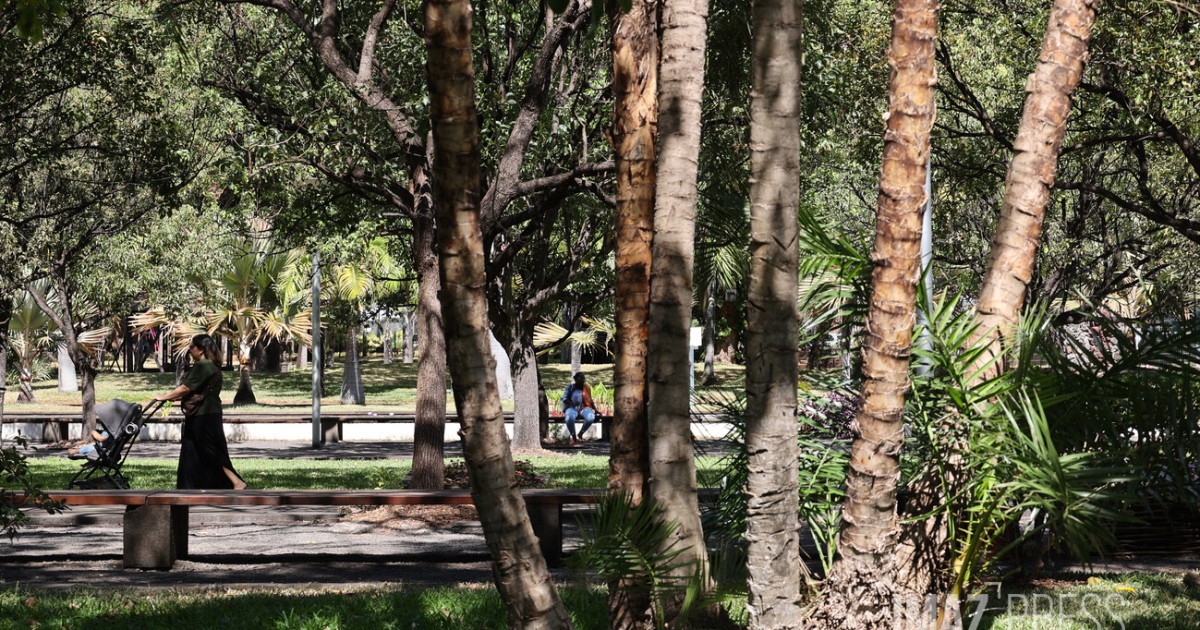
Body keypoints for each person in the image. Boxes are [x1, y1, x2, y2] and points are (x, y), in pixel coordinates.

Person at [154, 334, 246, 490]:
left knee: (210, 449)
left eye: (192, 347)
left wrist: (164, 397)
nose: (190, 350)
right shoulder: (212, 366)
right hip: (204, 413)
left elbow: (185, 388)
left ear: (201, 349)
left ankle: (236, 481)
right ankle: (190, 486)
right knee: (192, 450)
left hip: (204, 415)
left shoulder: (203, 366)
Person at [560, 372, 597, 445]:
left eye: (583, 379)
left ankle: (580, 434)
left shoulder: (586, 388)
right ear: (575, 379)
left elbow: (590, 400)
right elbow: (564, 398)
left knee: (591, 417)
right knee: (569, 418)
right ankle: (573, 437)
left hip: (584, 407)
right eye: (580, 379)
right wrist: (571, 403)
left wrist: (596, 410)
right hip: (572, 408)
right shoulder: (570, 388)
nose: (582, 381)